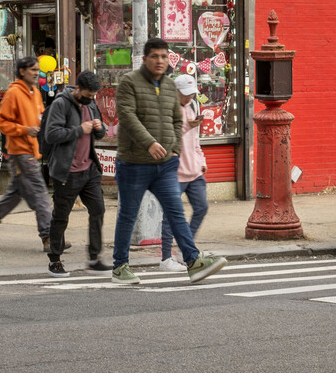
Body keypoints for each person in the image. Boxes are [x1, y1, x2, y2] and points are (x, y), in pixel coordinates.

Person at [112, 39, 224, 284]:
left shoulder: (171, 87)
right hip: (133, 163)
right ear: (145, 59)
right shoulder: (129, 83)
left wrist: (173, 149)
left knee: (175, 212)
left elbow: (176, 119)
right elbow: (127, 117)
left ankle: (193, 261)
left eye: (164, 56)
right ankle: (120, 266)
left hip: (165, 164)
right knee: (128, 215)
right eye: (155, 56)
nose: (160, 61)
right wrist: (149, 143)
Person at [0, 58, 53, 248]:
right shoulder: (13, 92)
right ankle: (49, 237)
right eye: (32, 70)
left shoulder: (35, 92)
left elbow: (39, 116)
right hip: (21, 152)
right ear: (22, 71)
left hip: (31, 150)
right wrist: (24, 130)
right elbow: (0, 123)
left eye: (37, 70)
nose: (36, 73)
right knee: (41, 193)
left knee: (13, 196)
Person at [41, 70, 109, 275]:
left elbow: (101, 133)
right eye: (88, 95)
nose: (90, 99)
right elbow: (51, 134)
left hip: (89, 169)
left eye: (93, 96)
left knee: (98, 210)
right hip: (67, 171)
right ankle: (55, 260)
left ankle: (94, 258)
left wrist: (99, 127)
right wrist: (80, 129)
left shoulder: (91, 104)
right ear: (77, 88)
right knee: (61, 216)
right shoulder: (60, 104)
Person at [157, 72, 209, 272]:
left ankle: (186, 248)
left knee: (201, 207)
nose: (189, 97)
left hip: (195, 171)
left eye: (191, 93)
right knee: (170, 215)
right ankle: (165, 258)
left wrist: (201, 159)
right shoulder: (168, 109)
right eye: (185, 93)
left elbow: (195, 140)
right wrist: (188, 125)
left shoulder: (194, 106)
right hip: (174, 171)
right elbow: (167, 136)